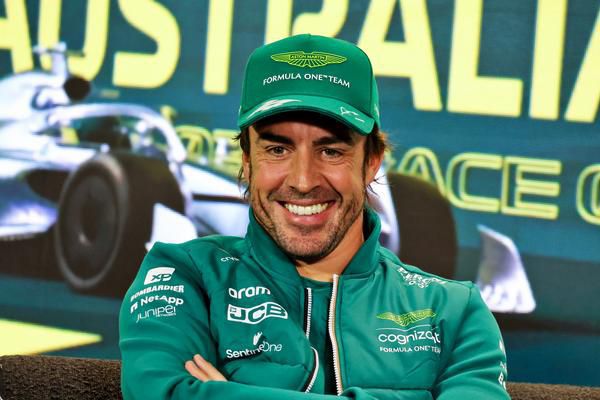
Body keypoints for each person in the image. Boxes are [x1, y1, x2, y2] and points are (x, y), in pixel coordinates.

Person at [119, 34, 510, 399]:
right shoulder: (185, 276)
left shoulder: (453, 312)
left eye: (331, 151)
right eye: (277, 150)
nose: (303, 181)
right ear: (247, 161)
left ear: (372, 162)